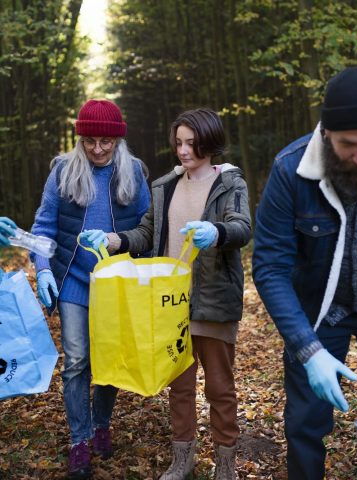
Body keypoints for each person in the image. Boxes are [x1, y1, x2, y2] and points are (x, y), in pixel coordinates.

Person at [81, 108, 251, 480]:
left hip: (213, 299)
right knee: (180, 387)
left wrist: (217, 232)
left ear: (210, 141)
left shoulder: (230, 183)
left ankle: (226, 465)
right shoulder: (164, 186)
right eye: (179, 143)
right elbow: (146, 233)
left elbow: (242, 227)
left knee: (220, 388)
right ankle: (182, 459)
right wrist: (112, 240)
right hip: (170, 303)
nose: (184, 151)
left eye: (192, 143)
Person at [252, 66, 357, 480]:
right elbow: (270, 266)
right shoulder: (289, 170)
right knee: (305, 424)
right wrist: (308, 350)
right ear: (325, 134)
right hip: (318, 313)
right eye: (348, 145)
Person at [31, 99, 151, 479]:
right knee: (78, 360)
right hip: (73, 280)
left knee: (110, 362)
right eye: (90, 141)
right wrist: (43, 270)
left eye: (106, 142)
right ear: (79, 140)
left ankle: (102, 423)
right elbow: (43, 227)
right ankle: (79, 439)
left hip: (115, 283)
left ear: (118, 141)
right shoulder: (63, 172)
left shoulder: (134, 172)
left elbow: (149, 230)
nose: (98, 149)